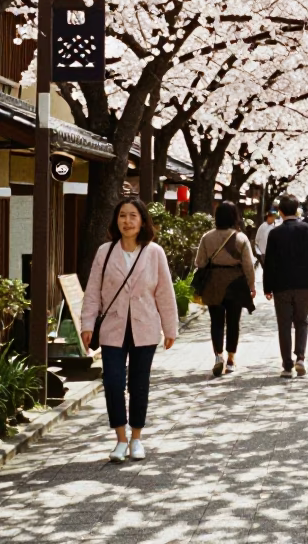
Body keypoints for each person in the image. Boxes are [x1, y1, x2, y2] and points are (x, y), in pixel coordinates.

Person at [81, 198, 178, 463]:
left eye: (132, 216)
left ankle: (137, 438)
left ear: (143, 221)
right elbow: (93, 291)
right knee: (112, 382)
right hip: (113, 327)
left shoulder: (154, 252)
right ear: (116, 221)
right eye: (122, 216)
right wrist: (87, 324)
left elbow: (164, 292)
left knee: (138, 384)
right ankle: (120, 439)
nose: (127, 221)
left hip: (144, 327)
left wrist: (170, 328)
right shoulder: (105, 251)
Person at [262, 194, 308, 378]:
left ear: (280, 212)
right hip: (305, 284)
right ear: (297, 210)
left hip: (281, 285)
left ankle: (287, 366)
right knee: (302, 321)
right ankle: (301, 358)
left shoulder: (275, 233)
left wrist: (267, 287)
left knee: (284, 324)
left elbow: (269, 263)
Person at [194, 202, 257, 377]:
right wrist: (251, 286)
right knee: (233, 322)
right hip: (235, 282)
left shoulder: (207, 237)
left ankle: (218, 356)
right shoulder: (241, 238)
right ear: (234, 217)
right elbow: (248, 265)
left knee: (216, 321)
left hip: (214, 282)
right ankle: (231, 360)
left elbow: (200, 262)